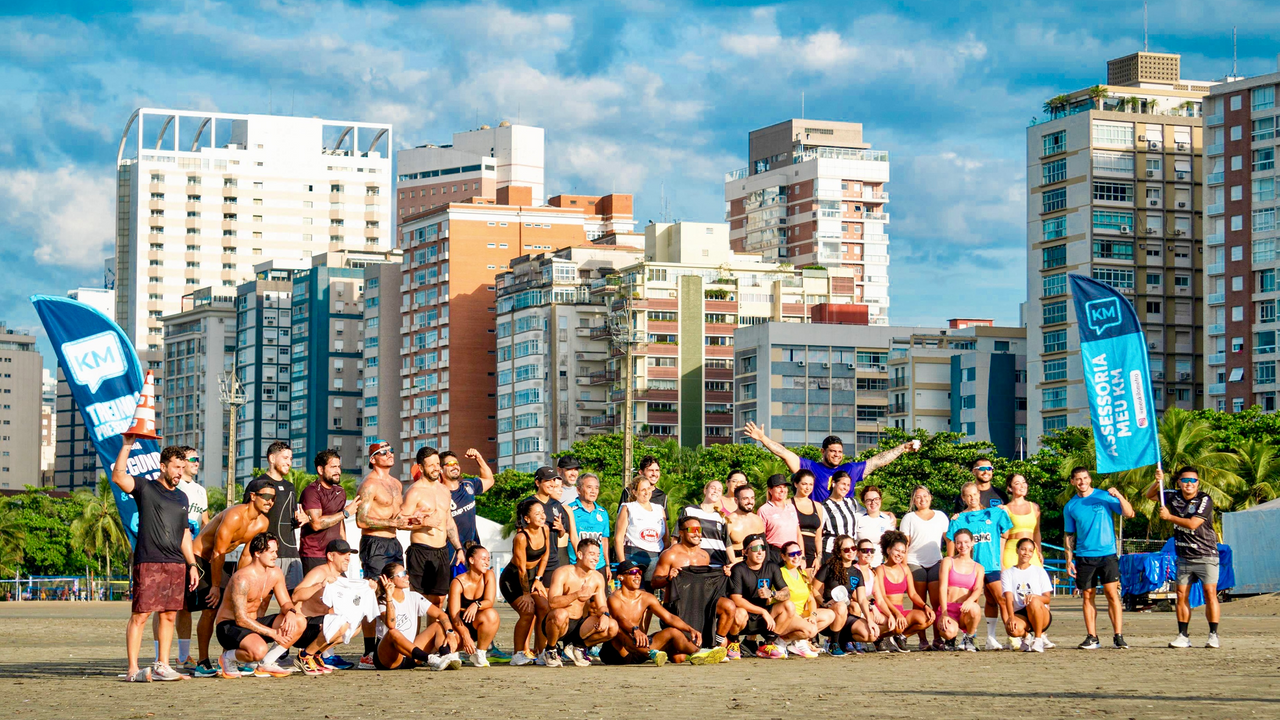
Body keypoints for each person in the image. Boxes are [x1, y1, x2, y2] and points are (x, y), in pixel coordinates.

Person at [112, 437, 199, 682]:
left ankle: (163, 665)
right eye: (175, 467)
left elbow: (184, 534)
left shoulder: (182, 497)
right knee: (141, 615)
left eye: (182, 468)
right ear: (163, 466)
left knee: (169, 615)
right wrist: (127, 445)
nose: (179, 473)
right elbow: (118, 476)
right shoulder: (145, 488)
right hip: (149, 560)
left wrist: (191, 564)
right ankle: (132, 668)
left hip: (176, 563)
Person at [186, 478, 275, 677]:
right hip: (200, 557)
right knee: (210, 607)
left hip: (218, 562)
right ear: (253, 497)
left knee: (234, 605)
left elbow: (246, 555)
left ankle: (231, 656)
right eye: (267, 497)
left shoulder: (262, 522)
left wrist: (239, 581)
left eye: (273, 498)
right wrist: (215, 586)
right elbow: (218, 552)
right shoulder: (235, 516)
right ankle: (202, 661)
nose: (270, 501)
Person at [354, 439, 419, 668]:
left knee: (397, 590)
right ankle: (368, 652)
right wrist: (389, 522)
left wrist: (412, 521)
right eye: (384, 452)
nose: (390, 454)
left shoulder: (396, 484)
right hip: (374, 543)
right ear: (373, 459)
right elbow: (361, 520)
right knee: (373, 594)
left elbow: (397, 518)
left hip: (393, 542)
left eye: (391, 450)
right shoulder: (369, 485)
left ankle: (396, 643)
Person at [743, 423, 920, 502]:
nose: (837, 455)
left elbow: (877, 462)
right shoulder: (810, 467)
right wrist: (763, 439)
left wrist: (902, 448)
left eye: (840, 452)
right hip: (819, 522)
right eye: (833, 451)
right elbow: (785, 453)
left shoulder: (849, 469)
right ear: (823, 451)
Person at [1146, 466, 1222, 649]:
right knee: (1181, 595)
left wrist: (1170, 517)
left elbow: (1193, 524)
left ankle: (1213, 635)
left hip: (1206, 555)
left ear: (1198, 483)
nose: (1189, 484)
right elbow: (1150, 495)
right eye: (1185, 480)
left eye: (1193, 480)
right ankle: (1183, 635)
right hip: (1184, 556)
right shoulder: (1173, 496)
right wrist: (1157, 482)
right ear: (1179, 482)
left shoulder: (1204, 499)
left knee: (1210, 594)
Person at [213, 532, 306, 678]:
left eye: (276, 552)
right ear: (257, 553)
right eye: (271, 552)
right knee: (258, 650)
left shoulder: (275, 573)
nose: (275, 556)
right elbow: (241, 619)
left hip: (252, 624)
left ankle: (266, 663)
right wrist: (273, 633)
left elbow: (286, 602)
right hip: (229, 626)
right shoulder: (242, 578)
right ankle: (227, 658)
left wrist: (290, 612)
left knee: (299, 621)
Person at [1064, 466, 1134, 650]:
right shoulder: (1070, 506)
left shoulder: (1103, 496)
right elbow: (1069, 535)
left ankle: (1118, 636)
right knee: (1088, 596)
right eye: (1078, 479)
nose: (1082, 482)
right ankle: (1092, 637)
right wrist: (1068, 559)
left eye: (1085, 478)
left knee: (1112, 594)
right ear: (1072, 482)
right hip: (1084, 557)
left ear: (1090, 479)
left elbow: (1129, 513)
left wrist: (1118, 495)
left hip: (1107, 554)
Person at [605, 560, 725, 665]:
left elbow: (669, 617)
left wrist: (690, 629)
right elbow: (620, 618)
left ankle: (699, 652)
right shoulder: (614, 598)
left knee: (673, 632)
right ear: (620, 577)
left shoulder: (647, 597)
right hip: (620, 652)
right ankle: (651, 653)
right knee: (617, 628)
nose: (637, 576)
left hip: (642, 648)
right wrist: (635, 630)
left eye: (639, 572)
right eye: (632, 573)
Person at [947, 481, 1013, 651]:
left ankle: (1003, 636)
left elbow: (1006, 532)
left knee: (1000, 600)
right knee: (971, 603)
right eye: (968, 495)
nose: (972, 498)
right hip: (970, 568)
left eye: (975, 494)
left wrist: (1004, 511)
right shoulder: (959, 518)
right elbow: (951, 542)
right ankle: (969, 637)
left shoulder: (993, 513)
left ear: (979, 494)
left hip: (991, 565)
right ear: (963, 498)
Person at [289, 538, 365, 674]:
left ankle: (315, 654)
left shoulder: (341, 579)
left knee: (355, 626)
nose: (348, 558)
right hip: (302, 627)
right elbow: (295, 596)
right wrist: (320, 585)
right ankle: (304, 657)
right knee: (341, 624)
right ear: (330, 556)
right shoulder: (319, 573)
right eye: (343, 554)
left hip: (318, 627)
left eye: (349, 554)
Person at [402, 446, 463, 608]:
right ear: (421, 468)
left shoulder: (444, 490)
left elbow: (449, 522)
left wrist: (458, 548)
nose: (436, 468)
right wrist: (423, 523)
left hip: (442, 551)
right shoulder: (414, 492)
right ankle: (415, 634)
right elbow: (399, 522)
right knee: (417, 602)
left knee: (438, 601)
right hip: (421, 550)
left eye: (438, 464)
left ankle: (433, 634)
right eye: (431, 465)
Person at [245, 441, 309, 591]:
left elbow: (293, 516)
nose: (289, 462)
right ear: (272, 459)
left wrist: (303, 519)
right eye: (285, 458)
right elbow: (247, 518)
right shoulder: (257, 484)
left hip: (291, 553)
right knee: (260, 602)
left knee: (293, 601)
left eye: (290, 458)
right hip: (265, 552)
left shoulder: (290, 487)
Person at [543, 538, 618, 667]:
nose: (596, 558)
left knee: (612, 626)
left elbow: (602, 605)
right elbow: (552, 603)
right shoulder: (563, 573)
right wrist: (577, 594)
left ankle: (578, 647)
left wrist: (605, 615)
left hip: (579, 624)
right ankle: (550, 649)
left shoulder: (597, 578)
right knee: (560, 614)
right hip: (559, 623)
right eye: (592, 554)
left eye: (598, 555)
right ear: (579, 555)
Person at [373, 562, 461, 671]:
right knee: (393, 632)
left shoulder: (414, 596)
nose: (407, 576)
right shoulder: (382, 601)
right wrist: (389, 597)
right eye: (402, 574)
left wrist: (450, 633)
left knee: (438, 625)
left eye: (406, 573)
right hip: (389, 659)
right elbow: (391, 624)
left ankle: (446, 656)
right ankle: (431, 659)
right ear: (390, 580)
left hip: (412, 655)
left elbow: (441, 614)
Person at [168, 446, 208, 670]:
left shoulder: (200, 491)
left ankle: (184, 656)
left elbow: (206, 523)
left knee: (187, 606)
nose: (197, 462)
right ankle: (160, 656)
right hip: (172, 551)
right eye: (193, 458)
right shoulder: (173, 485)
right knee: (167, 606)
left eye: (198, 459)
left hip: (193, 554)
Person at [500, 498, 551, 666]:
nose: (542, 516)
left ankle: (542, 652)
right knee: (528, 612)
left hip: (532, 577)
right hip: (513, 579)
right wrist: (526, 594)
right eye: (537, 514)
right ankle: (518, 654)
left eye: (543, 512)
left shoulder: (545, 529)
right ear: (527, 519)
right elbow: (521, 569)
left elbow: (545, 557)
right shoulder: (521, 538)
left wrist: (538, 579)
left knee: (544, 607)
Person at [719, 534, 787, 659]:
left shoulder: (772, 567)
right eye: (755, 549)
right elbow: (736, 599)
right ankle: (733, 643)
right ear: (745, 552)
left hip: (763, 618)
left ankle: (767, 644)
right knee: (739, 612)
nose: (760, 552)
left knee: (788, 606)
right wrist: (762, 612)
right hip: (744, 617)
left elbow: (786, 592)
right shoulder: (738, 569)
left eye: (762, 548)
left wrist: (772, 594)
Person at [900, 485, 950, 650]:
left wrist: (948, 560)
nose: (922, 499)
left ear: (930, 497)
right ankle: (922, 640)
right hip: (915, 563)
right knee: (919, 603)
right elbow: (904, 544)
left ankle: (937, 638)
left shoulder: (941, 516)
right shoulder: (909, 518)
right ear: (914, 500)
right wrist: (905, 567)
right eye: (918, 497)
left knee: (936, 604)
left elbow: (948, 539)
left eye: (925, 496)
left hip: (936, 561)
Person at [812, 534, 879, 655]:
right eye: (846, 550)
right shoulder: (828, 567)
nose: (851, 552)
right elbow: (813, 589)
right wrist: (823, 602)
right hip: (829, 612)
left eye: (853, 548)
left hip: (845, 615)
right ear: (839, 552)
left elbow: (862, 599)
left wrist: (870, 620)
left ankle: (842, 640)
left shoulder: (857, 573)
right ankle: (833, 644)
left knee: (870, 635)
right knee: (841, 606)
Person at [300, 450, 362, 576]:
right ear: (320, 470)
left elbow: (340, 524)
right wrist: (345, 513)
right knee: (318, 594)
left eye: (339, 467)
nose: (338, 471)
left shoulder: (340, 492)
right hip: (314, 554)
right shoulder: (311, 492)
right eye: (333, 467)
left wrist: (345, 548)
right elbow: (316, 524)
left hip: (335, 554)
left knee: (343, 592)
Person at [874, 530, 935, 652]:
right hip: (885, 612)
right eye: (897, 551)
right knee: (896, 625)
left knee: (928, 618)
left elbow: (912, 594)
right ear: (888, 550)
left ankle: (899, 638)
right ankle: (880, 638)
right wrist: (896, 614)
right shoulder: (880, 570)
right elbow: (882, 597)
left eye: (903, 552)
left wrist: (925, 606)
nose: (900, 554)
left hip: (900, 612)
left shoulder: (905, 569)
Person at [777, 540, 833, 657]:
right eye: (792, 554)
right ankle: (781, 641)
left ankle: (799, 641)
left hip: (801, 614)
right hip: (787, 616)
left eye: (798, 553)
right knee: (811, 630)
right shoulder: (780, 573)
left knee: (830, 615)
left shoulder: (802, 573)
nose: (796, 557)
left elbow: (811, 599)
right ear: (783, 556)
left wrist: (812, 615)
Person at [448, 543, 501, 667]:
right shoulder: (458, 582)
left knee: (492, 614)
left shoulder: (489, 575)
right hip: (457, 624)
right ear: (471, 560)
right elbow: (453, 615)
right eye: (483, 559)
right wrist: (465, 635)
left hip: (476, 621)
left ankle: (480, 653)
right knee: (446, 648)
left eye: (488, 559)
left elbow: (489, 601)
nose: (487, 563)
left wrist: (476, 605)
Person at [935, 528, 984, 651]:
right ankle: (951, 639)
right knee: (948, 632)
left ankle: (969, 637)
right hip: (949, 608)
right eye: (959, 543)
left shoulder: (978, 567)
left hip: (964, 610)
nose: (963, 546)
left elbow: (978, 589)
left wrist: (970, 600)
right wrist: (944, 613)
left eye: (966, 542)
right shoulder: (948, 561)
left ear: (972, 542)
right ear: (955, 544)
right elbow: (942, 587)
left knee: (975, 608)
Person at [518, 467, 574, 575]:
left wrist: (561, 528)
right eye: (548, 480)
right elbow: (520, 533)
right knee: (533, 592)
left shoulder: (557, 504)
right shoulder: (527, 503)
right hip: (533, 560)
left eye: (553, 480)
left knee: (552, 592)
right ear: (537, 482)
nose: (552, 484)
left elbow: (561, 534)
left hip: (552, 560)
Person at [1001, 538, 1054, 653]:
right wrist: (1011, 617)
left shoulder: (1039, 571)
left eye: (1030, 551)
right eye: (1023, 549)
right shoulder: (1007, 573)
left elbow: (1047, 599)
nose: (1026, 553)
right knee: (1012, 630)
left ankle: (1038, 639)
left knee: (1033, 602)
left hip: (1040, 612)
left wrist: (1035, 597)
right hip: (1021, 613)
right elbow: (1008, 598)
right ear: (1017, 550)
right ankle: (1026, 637)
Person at [614, 476, 667, 587]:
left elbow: (666, 539)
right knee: (633, 591)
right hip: (633, 555)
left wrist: (664, 562)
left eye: (649, 489)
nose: (646, 492)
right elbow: (618, 538)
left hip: (655, 557)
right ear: (634, 492)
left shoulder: (659, 509)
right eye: (642, 490)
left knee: (650, 594)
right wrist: (623, 564)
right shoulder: (628, 508)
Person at [441, 448, 495, 551]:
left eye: (456, 463)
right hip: (451, 551)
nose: (455, 466)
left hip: (472, 548)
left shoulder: (468, 485)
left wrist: (478, 458)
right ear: (441, 469)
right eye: (450, 464)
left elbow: (489, 480)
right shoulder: (440, 494)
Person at [567, 473, 611, 582]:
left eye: (596, 488)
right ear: (578, 489)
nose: (593, 491)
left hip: (598, 565)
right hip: (576, 565)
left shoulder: (603, 512)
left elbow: (604, 540)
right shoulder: (569, 510)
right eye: (589, 487)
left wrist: (607, 565)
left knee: (600, 598)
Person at [678, 480, 732, 566]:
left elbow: (727, 543)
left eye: (719, 490)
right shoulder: (690, 510)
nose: (715, 491)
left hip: (718, 563)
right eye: (713, 488)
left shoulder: (721, 517)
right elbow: (676, 536)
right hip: (694, 562)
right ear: (705, 490)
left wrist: (733, 564)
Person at [652, 515, 711, 590]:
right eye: (692, 530)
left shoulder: (704, 555)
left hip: (699, 599)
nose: (697, 533)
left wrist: (725, 572)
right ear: (681, 533)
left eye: (699, 530)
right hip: (677, 600)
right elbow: (654, 583)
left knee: (726, 602)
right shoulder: (670, 555)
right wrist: (668, 578)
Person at [1001, 473, 1043, 569]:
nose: (1022, 486)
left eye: (1024, 482)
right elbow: (1002, 537)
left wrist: (1039, 551)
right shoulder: (1005, 509)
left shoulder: (1034, 507)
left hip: (1030, 549)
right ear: (1010, 488)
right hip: (1012, 549)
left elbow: (1037, 532)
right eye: (1017, 483)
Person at [757, 473, 799, 565]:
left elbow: (798, 533)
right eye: (778, 487)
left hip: (793, 554)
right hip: (775, 554)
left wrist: (802, 555)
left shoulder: (791, 507)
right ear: (770, 490)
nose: (782, 490)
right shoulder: (764, 510)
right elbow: (760, 537)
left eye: (784, 487)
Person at [790, 470, 826, 571]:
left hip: (812, 552)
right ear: (796, 484)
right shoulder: (788, 504)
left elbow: (818, 536)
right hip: (794, 552)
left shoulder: (818, 506)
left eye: (811, 484)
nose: (807, 487)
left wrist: (819, 557)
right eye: (804, 484)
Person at [853, 485, 896, 567]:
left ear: (880, 500)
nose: (873, 502)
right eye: (869, 500)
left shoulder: (888, 520)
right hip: (858, 563)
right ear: (864, 502)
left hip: (879, 564)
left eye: (876, 499)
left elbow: (890, 544)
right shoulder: (857, 518)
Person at [820, 470, 860, 555]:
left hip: (850, 552)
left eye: (848, 485)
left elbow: (869, 511)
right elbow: (818, 532)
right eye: (843, 484)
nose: (846, 488)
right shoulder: (824, 506)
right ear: (833, 483)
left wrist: (889, 514)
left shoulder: (852, 502)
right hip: (831, 551)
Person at [724, 483, 764, 561]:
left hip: (756, 567)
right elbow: (722, 548)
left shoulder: (757, 520)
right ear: (736, 500)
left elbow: (764, 547)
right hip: (736, 565)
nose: (750, 502)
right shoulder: (729, 522)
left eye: (752, 498)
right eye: (745, 498)